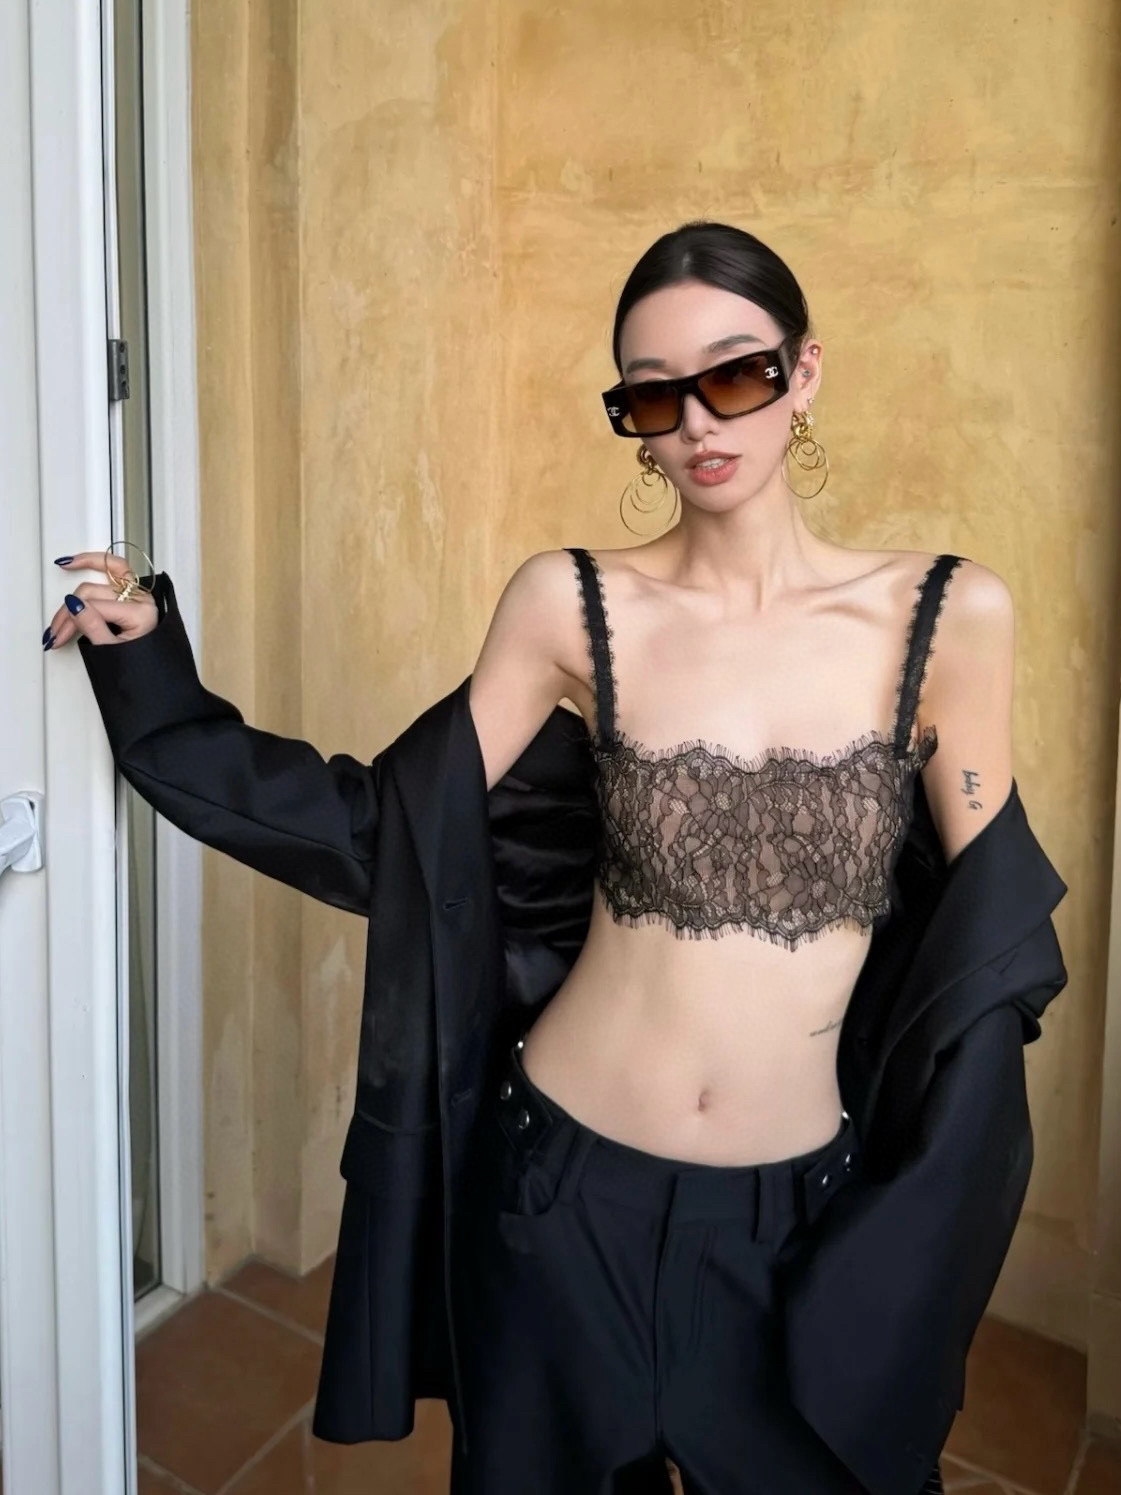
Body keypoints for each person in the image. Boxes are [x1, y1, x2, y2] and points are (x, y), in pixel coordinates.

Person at [44, 222, 1056, 1495]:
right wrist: (151, 677)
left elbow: (985, 953)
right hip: (559, 1194)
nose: (698, 422)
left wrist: (921, 1219)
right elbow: (386, 829)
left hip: (798, 1217)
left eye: (735, 374)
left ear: (803, 372)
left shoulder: (950, 618)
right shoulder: (569, 603)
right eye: (653, 394)